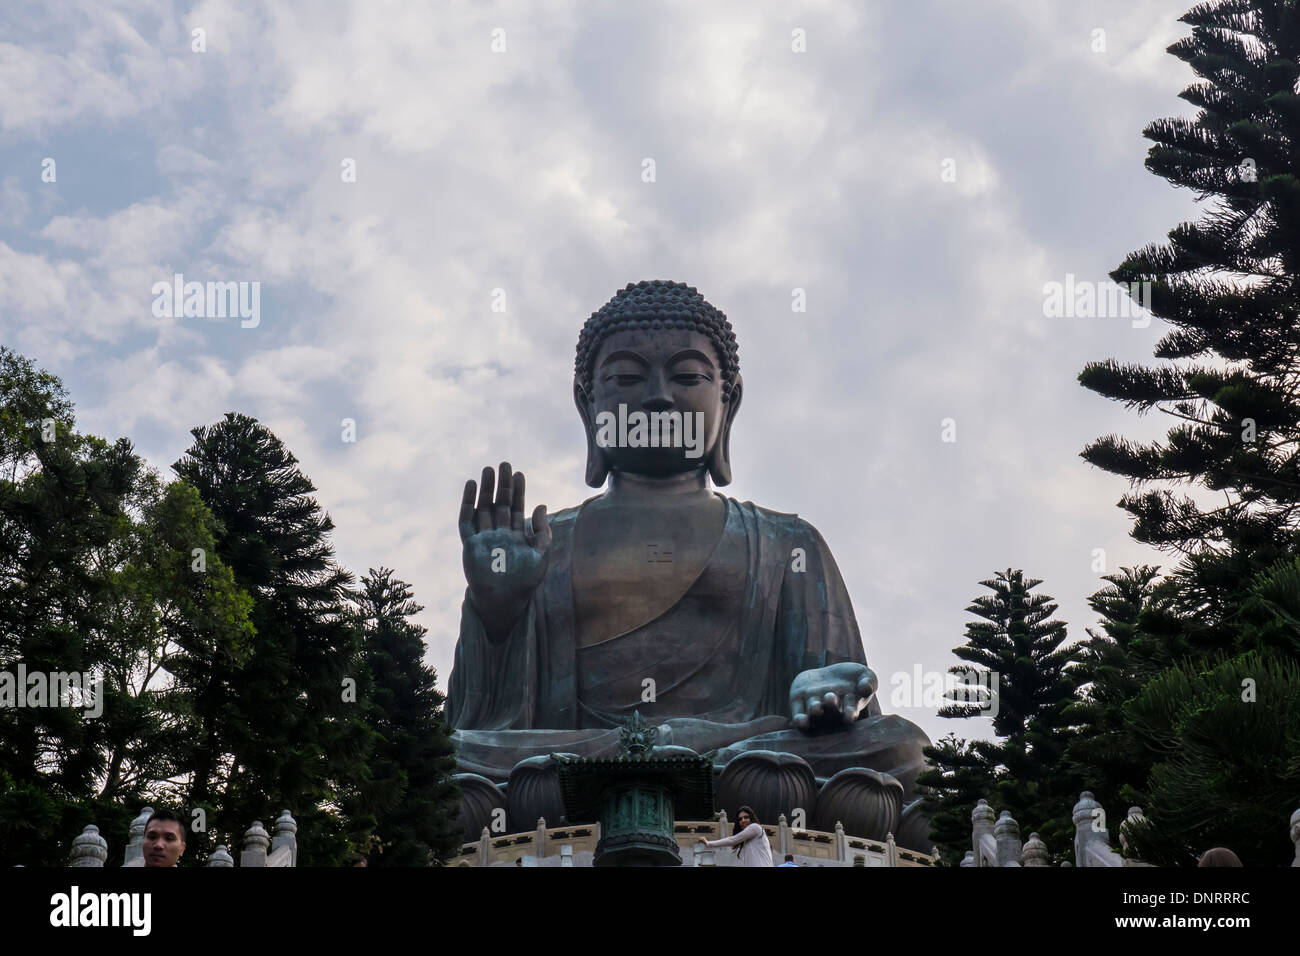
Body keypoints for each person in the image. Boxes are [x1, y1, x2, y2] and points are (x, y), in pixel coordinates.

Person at [698, 806, 773, 867]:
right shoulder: (745, 843)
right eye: (740, 819)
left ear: (751, 818)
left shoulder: (755, 827)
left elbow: (732, 840)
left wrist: (708, 843)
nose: (743, 820)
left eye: (746, 817)